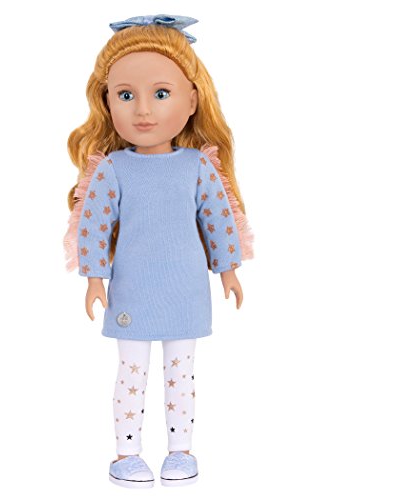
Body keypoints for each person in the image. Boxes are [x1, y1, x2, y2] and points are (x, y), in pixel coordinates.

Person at [63, 14, 254, 488]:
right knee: (131, 372)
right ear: (107, 101)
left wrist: (228, 270)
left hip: (185, 291)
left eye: (162, 93)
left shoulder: (197, 166)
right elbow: (94, 224)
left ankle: (180, 451)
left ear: (192, 100)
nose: (143, 110)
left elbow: (217, 219)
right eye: (126, 95)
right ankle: (126, 453)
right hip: (131, 290)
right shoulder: (112, 168)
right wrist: (94, 278)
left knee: (180, 373)